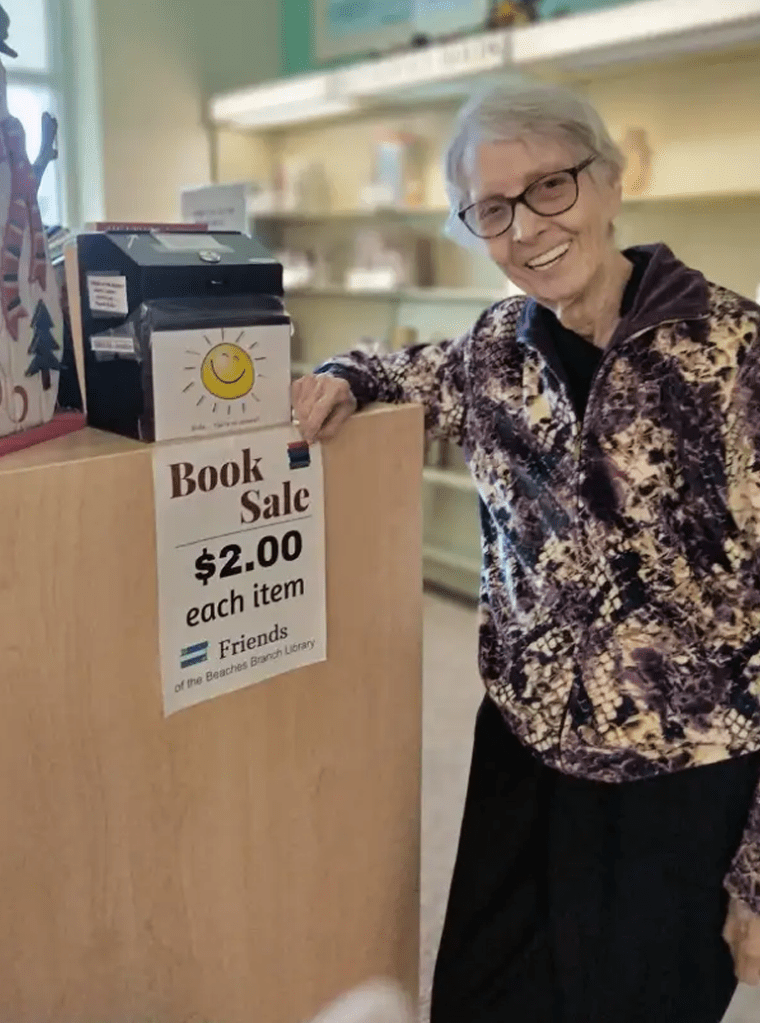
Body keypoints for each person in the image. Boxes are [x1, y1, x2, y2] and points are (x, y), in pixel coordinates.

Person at [291, 81, 760, 1023]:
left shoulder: (739, 355)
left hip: (679, 787)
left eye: (551, 186)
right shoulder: (492, 350)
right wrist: (340, 373)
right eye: (493, 209)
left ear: (610, 184)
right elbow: (392, 366)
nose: (527, 227)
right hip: (523, 759)